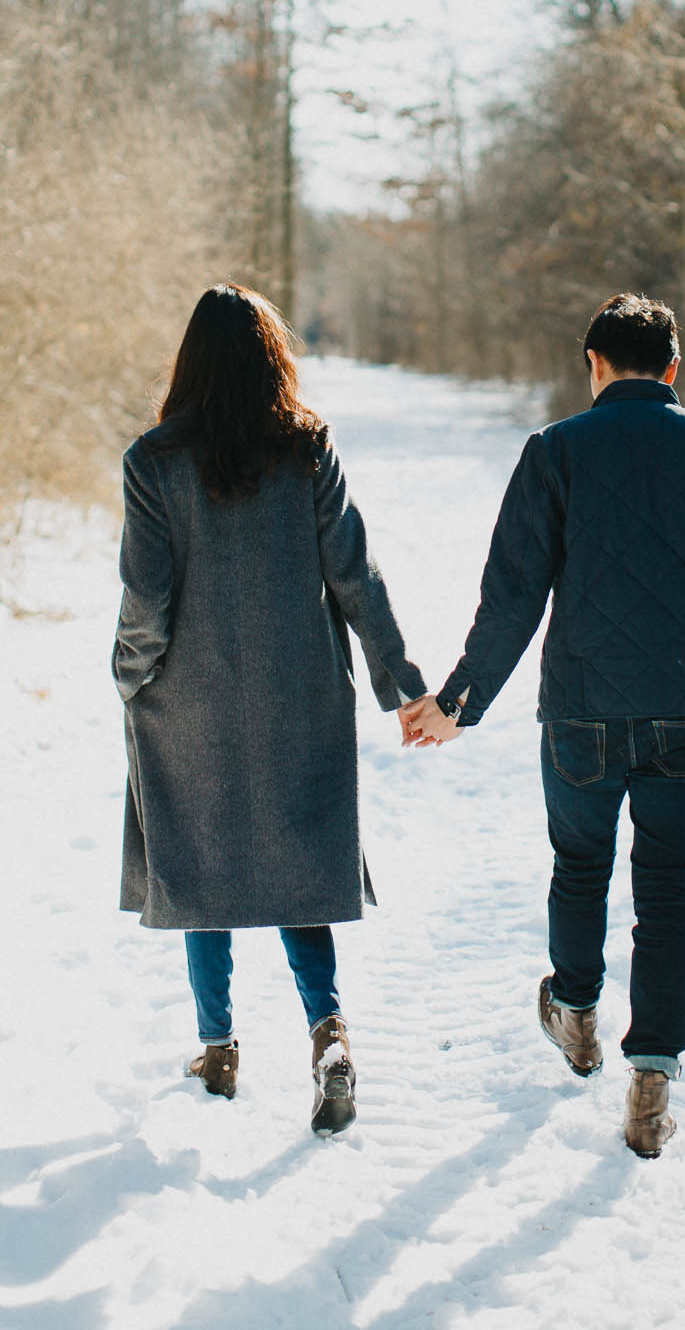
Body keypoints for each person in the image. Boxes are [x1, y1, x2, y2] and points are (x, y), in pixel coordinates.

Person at [405, 292, 685, 1157]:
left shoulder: (555, 451)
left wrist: (455, 705)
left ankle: (575, 1012)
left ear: (593, 364)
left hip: (580, 708)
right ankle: (651, 1075)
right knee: (667, 889)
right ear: (672, 367)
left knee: (579, 864)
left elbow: (511, 600)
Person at [111, 284, 427, 1134]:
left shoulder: (153, 461)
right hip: (301, 694)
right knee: (296, 872)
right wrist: (402, 686)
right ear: (270, 360)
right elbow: (355, 574)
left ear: (190, 362)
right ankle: (328, 1036)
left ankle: (217, 1048)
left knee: (200, 860)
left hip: (190, 696)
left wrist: (130, 676)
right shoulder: (307, 448)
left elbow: (147, 596)